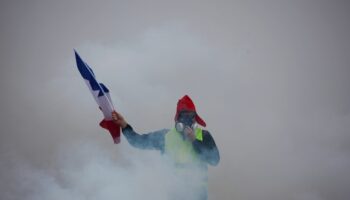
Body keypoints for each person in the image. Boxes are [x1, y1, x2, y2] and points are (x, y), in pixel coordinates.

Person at [112, 95, 220, 200]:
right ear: (178, 118)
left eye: (190, 116)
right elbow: (138, 141)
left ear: (194, 119)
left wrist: (194, 141)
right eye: (184, 116)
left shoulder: (204, 136)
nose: (187, 120)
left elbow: (215, 160)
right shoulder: (165, 137)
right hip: (175, 194)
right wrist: (124, 125)